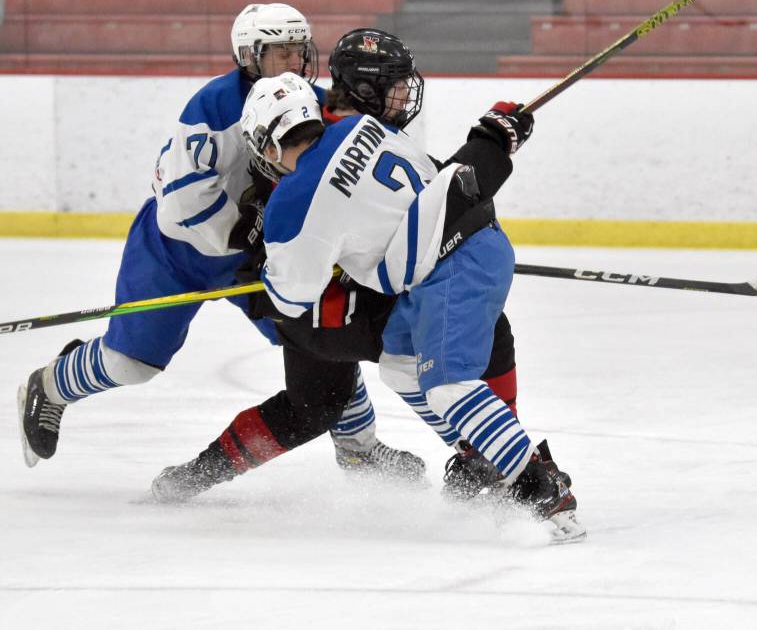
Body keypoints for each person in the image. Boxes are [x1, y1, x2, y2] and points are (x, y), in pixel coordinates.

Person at [17, 4, 421, 480]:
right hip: (178, 255)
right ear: (249, 56)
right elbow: (182, 207)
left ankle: (359, 447)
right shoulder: (211, 109)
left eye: (298, 51)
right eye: (278, 53)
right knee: (130, 364)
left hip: (249, 258)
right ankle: (52, 385)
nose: (292, 64)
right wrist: (247, 230)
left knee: (320, 339)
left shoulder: (306, 100)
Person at [150, 34, 527, 508]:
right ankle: (488, 462)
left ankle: (195, 476)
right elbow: (441, 200)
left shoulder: (325, 120)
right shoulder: (324, 131)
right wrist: (490, 149)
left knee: (320, 402)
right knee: (350, 388)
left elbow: (430, 199)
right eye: (393, 87)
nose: (404, 97)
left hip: (325, 292)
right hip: (323, 303)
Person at [236, 29, 585, 542]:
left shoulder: (293, 201)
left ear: (268, 141)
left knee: (447, 386)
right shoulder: (359, 127)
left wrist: (269, 265)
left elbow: (292, 297)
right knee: (402, 368)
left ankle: (542, 492)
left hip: (451, 267)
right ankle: (485, 455)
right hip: (457, 253)